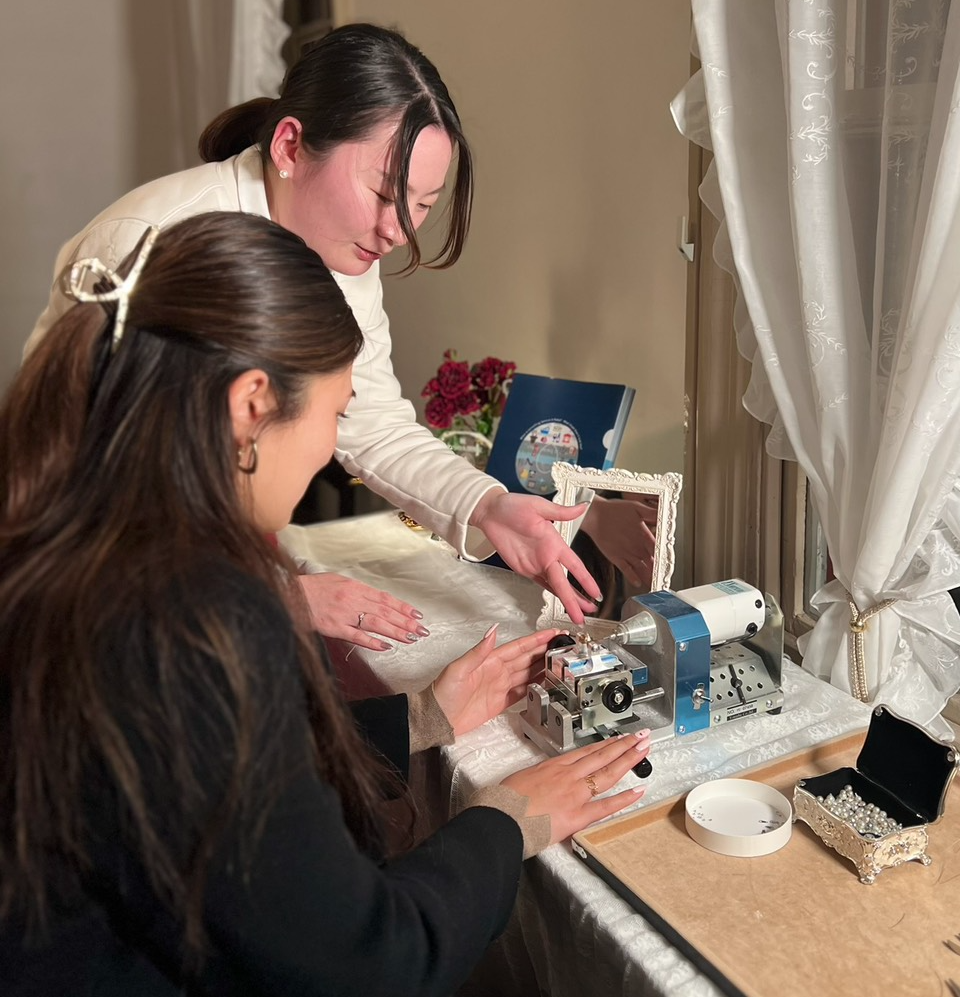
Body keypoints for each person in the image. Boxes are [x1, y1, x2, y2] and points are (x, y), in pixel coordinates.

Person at [0, 211, 652, 997]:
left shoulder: (69, 540)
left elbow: (204, 782)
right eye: (336, 417)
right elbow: (361, 985)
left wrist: (418, 717)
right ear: (251, 404)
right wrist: (507, 821)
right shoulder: (196, 613)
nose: (325, 457)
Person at [24, 21, 604, 653]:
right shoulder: (152, 241)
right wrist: (274, 595)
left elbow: (372, 423)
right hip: (112, 586)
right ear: (290, 146)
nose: (399, 231)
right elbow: (86, 491)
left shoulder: (342, 255)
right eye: (383, 192)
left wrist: (487, 506)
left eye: (423, 204)